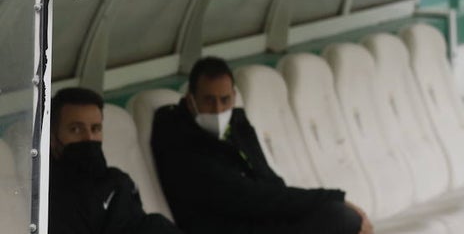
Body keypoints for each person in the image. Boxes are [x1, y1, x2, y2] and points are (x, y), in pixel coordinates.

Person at [150, 57, 371, 234]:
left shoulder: (237, 125)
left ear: (234, 97)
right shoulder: (179, 142)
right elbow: (249, 197)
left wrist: (329, 201)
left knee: (338, 215)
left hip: (261, 221)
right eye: (209, 100)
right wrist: (331, 196)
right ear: (191, 101)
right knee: (340, 218)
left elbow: (270, 181)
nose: (218, 110)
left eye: (225, 100)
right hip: (231, 226)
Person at [49, 87, 181, 234]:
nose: (89, 138)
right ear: (52, 138)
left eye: (95, 129)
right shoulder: (49, 197)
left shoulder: (118, 182)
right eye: (76, 129)